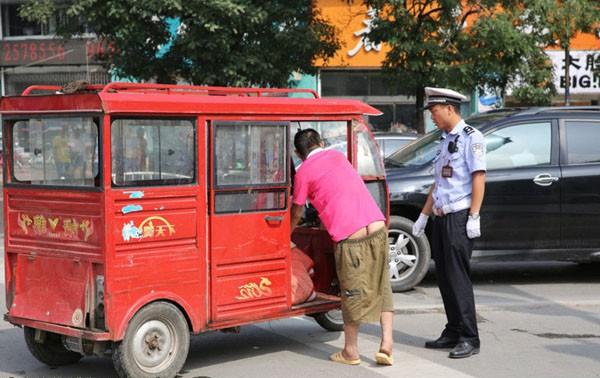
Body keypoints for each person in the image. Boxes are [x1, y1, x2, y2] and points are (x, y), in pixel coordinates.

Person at [290, 129, 394, 366]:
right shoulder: (339, 157)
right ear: (321, 142)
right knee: (381, 283)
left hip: (351, 234)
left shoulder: (303, 172)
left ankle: (350, 351)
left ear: (298, 152)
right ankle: (386, 344)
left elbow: (297, 211)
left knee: (351, 290)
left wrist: (285, 234)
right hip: (376, 224)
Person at [412, 87, 486, 359]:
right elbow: (439, 182)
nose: (432, 115)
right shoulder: (444, 140)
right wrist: (423, 215)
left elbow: (479, 177)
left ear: (449, 109)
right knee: (444, 277)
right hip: (442, 217)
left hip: (459, 216)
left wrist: (474, 216)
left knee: (458, 279)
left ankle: (470, 336)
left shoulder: (471, 138)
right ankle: (453, 330)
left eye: (434, 110)